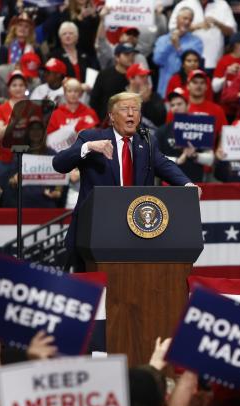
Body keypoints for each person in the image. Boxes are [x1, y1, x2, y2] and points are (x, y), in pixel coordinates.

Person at [52, 91, 198, 271]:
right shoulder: (91, 137)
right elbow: (59, 164)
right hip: (94, 231)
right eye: (125, 109)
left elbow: (164, 164)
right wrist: (88, 147)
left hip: (134, 231)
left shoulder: (147, 141)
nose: (131, 114)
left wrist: (187, 185)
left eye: (135, 109)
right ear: (112, 116)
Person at [156, 87, 214, 183]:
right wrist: (177, 160)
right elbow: (156, 158)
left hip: (195, 182)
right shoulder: (162, 130)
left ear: (187, 105)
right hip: (169, 183)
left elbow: (210, 159)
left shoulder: (200, 126)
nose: (176, 107)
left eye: (179, 104)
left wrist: (195, 155)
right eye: (172, 105)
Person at [166, 0, 236, 72]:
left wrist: (218, 24)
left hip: (214, 60)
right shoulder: (184, 4)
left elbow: (232, 32)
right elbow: (173, 30)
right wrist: (196, 27)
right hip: (188, 63)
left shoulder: (222, 4)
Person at [153, 7, 203, 98]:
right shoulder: (163, 40)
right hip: (165, 88)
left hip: (187, 89)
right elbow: (157, 61)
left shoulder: (196, 42)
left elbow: (193, 64)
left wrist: (178, 47)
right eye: (184, 18)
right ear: (177, 19)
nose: (187, 22)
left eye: (190, 20)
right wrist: (170, 44)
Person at [90, 43, 137, 120]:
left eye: (132, 55)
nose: (130, 58)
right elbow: (94, 100)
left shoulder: (136, 76)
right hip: (105, 122)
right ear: (117, 57)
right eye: (127, 54)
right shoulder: (104, 74)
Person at [126, 63, 166, 128]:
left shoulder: (154, 96)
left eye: (147, 76)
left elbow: (161, 120)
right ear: (131, 79)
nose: (146, 79)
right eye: (142, 76)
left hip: (152, 135)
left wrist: (147, 102)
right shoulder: (121, 98)